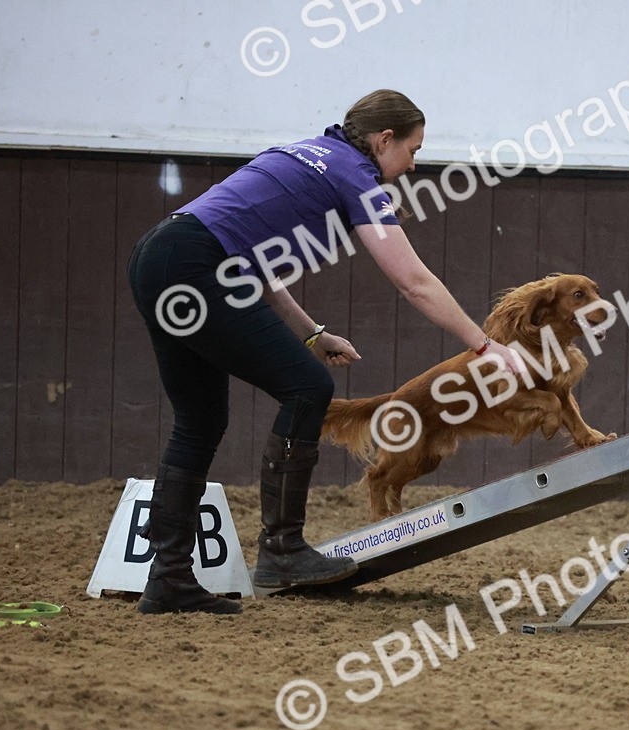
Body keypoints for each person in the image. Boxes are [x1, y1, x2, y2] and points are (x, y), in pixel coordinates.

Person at [127, 89, 522, 615]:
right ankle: (282, 550)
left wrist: (313, 334)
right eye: (413, 150)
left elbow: (255, 267)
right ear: (384, 140)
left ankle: (168, 579)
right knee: (307, 388)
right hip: (196, 268)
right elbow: (413, 281)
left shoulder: (304, 153)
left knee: (199, 419)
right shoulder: (354, 176)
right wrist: (486, 345)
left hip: (159, 255)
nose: (411, 165)